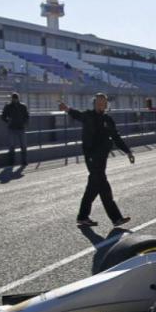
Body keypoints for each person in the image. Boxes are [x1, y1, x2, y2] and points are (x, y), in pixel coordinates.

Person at [59, 93, 135, 227]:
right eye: (99, 102)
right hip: (92, 158)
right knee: (103, 186)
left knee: (93, 187)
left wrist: (127, 151)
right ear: (94, 103)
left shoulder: (108, 119)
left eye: (104, 102)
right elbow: (77, 115)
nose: (101, 104)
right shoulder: (88, 115)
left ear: (106, 104)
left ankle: (83, 217)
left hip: (102, 157)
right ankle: (116, 218)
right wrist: (67, 109)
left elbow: (116, 137)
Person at [1, 92, 29, 167]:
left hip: (21, 128)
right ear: (12, 99)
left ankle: (24, 161)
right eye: (14, 98)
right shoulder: (8, 106)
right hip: (12, 128)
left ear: (18, 98)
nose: (15, 100)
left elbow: (27, 116)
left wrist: (24, 123)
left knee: (23, 145)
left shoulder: (23, 106)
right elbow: (3, 116)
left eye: (16, 98)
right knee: (12, 146)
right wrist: (8, 121)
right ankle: (12, 162)